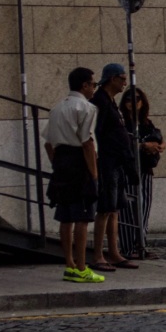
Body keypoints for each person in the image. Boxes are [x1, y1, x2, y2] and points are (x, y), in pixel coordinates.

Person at [43, 67, 104, 283]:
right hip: (79, 162)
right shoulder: (86, 108)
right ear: (85, 85)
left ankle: (69, 263)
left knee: (66, 216)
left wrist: (57, 164)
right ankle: (81, 266)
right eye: (93, 84)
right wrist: (94, 175)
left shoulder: (57, 108)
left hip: (61, 161)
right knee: (83, 216)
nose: (94, 89)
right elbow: (87, 143)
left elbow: (48, 143)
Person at [90, 62, 138, 271]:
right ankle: (99, 254)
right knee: (105, 208)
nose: (125, 82)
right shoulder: (100, 102)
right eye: (122, 78)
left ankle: (114, 251)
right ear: (112, 79)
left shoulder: (110, 102)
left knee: (115, 208)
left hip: (117, 161)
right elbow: (96, 133)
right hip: (108, 161)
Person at [119, 86, 165, 260]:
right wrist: (142, 146)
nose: (133, 102)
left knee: (144, 209)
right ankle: (127, 247)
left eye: (137, 99)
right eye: (129, 99)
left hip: (145, 169)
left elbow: (157, 137)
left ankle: (141, 245)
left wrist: (160, 145)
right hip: (128, 170)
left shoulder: (145, 122)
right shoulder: (121, 122)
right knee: (127, 210)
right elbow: (121, 144)